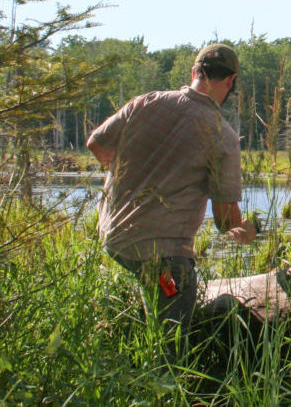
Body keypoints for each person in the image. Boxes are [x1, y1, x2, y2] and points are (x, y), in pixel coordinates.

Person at [87, 43, 256, 340]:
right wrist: (247, 231)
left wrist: (124, 173)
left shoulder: (146, 102)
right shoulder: (222, 135)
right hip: (164, 260)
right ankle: (165, 377)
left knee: (154, 297)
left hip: (113, 237)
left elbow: (97, 144)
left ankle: (135, 342)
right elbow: (226, 222)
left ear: (194, 73)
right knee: (173, 336)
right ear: (230, 82)